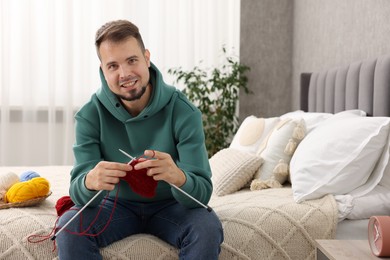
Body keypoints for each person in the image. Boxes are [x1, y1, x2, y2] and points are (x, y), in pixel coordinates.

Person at [56, 19, 224, 259]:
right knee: (69, 224)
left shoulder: (184, 111)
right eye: (113, 66)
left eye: (131, 60)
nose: (124, 74)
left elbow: (203, 194)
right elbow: (77, 193)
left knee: (207, 227)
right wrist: (90, 182)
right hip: (115, 206)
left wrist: (179, 177)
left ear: (146, 57)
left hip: (172, 206)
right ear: (103, 70)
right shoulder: (89, 115)